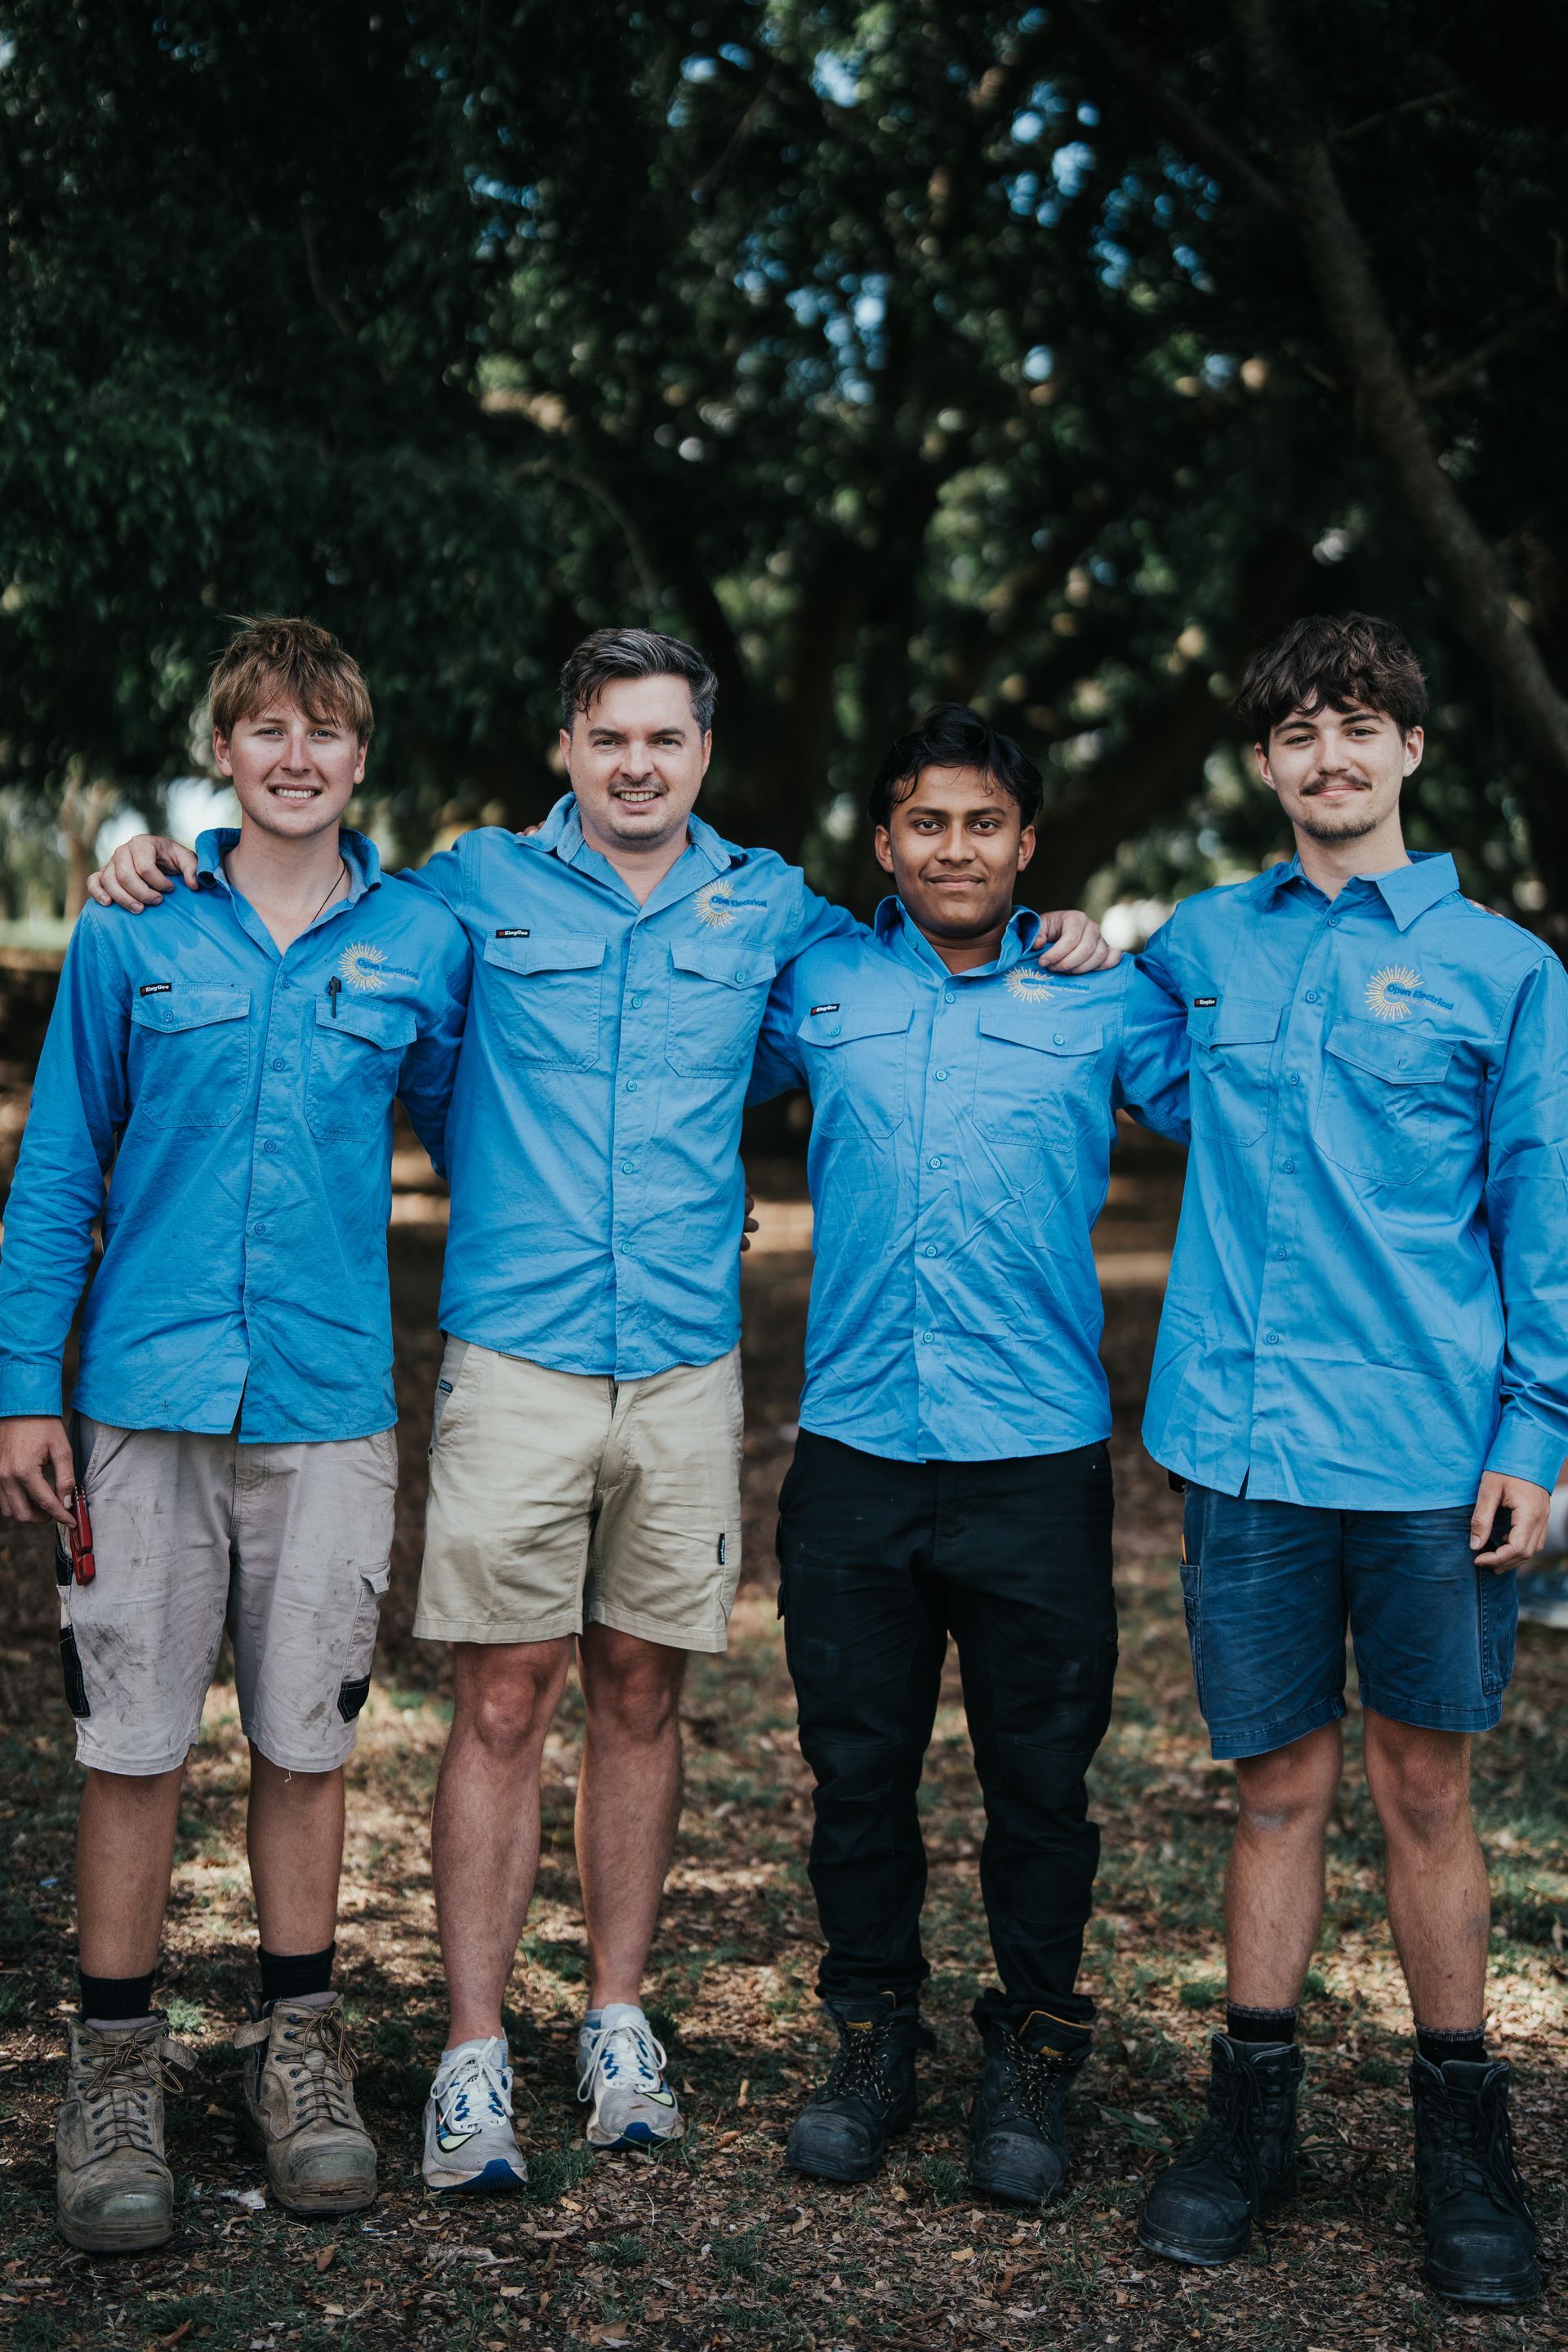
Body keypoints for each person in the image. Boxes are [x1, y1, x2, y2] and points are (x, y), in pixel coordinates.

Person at [88, 629, 1116, 2191]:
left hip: (691, 1366)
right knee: (503, 1701)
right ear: (566, 745)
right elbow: (322, 918)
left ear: (704, 751)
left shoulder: (775, 909)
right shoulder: (464, 893)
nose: (638, 763)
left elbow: (915, 956)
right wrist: (162, 857)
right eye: (608, 736)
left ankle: (619, 2019)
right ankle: (475, 2050)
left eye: (667, 738)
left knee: (642, 1691)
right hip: (516, 1356)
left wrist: (1070, 931)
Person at [0, 619, 470, 2251]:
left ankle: (301, 2051)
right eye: (264, 729)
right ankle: (112, 2067)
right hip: (143, 1404)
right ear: (227, 752)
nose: (294, 757)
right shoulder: (136, 935)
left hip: (330, 1404)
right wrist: (18, 1389)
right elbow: (60, 1170)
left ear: (359, 757)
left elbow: (492, 1138)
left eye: (323, 734)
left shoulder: (419, 940)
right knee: (130, 1739)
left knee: (305, 1737)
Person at [1133, 613, 1568, 2309]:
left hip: (1423, 1456)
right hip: (1244, 1452)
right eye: (1299, 732)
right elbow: (1143, 1064)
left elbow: (1544, 1221)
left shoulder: (1507, 972)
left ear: (1410, 750)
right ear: (1265, 764)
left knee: (1426, 1790)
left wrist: (1540, 1427)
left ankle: (1464, 2136)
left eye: (1361, 725)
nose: (1331, 757)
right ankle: (1254, 2115)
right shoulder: (1204, 946)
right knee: (1276, 1789)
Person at [747, 705, 1188, 2205]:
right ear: (883, 844)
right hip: (858, 1452)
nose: (955, 848)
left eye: (984, 824)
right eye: (927, 823)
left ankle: (1034, 2052)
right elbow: (657, 1081)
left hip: (1034, 1457)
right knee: (857, 1773)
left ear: (1027, 846)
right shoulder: (817, 985)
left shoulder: (1103, 1000)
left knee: (1040, 1785)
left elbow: (1245, 1110)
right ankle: (872, 2038)